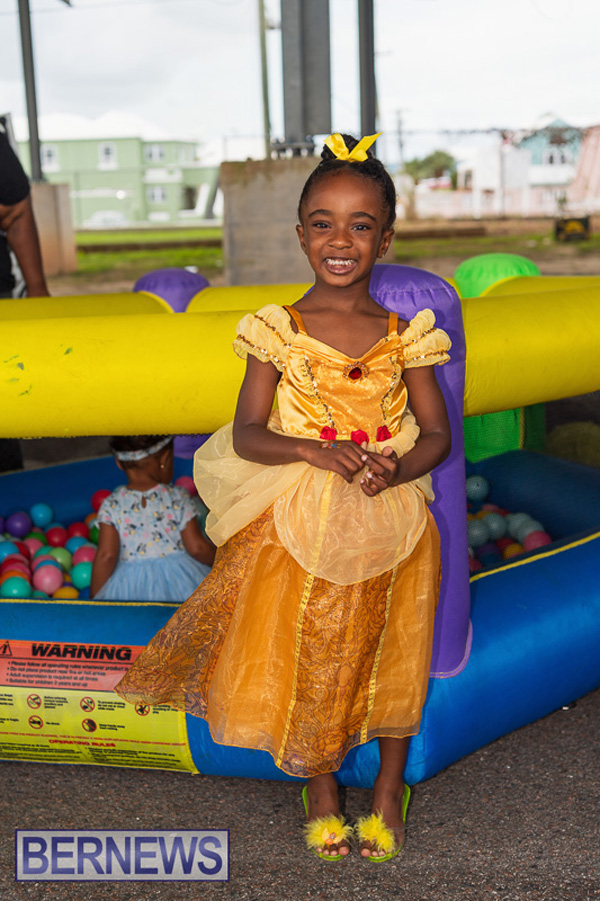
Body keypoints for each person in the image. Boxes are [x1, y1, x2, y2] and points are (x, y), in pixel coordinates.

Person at [114, 133, 452, 862]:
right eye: (323, 222)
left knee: (395, 647)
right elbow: (245, 432)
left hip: (390, 520)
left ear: (385, 238)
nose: (340, 239)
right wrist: (308, 447)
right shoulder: (278, 331)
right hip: (301, 518)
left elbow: (436, 437)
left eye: (360, 224)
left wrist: (393, 468)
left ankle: (391, 788)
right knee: (313, 651)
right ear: (301, 235)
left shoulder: (404, 337)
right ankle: (321, 785)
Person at [90, 435, 215, 602]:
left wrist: (95, 601)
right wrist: (223, 561)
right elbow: (197, 548)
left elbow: (106, 555)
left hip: (130, 586)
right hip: (181, 581)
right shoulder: (177, 496)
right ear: (165, 458)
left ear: (119, 463)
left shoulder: (112, 503)